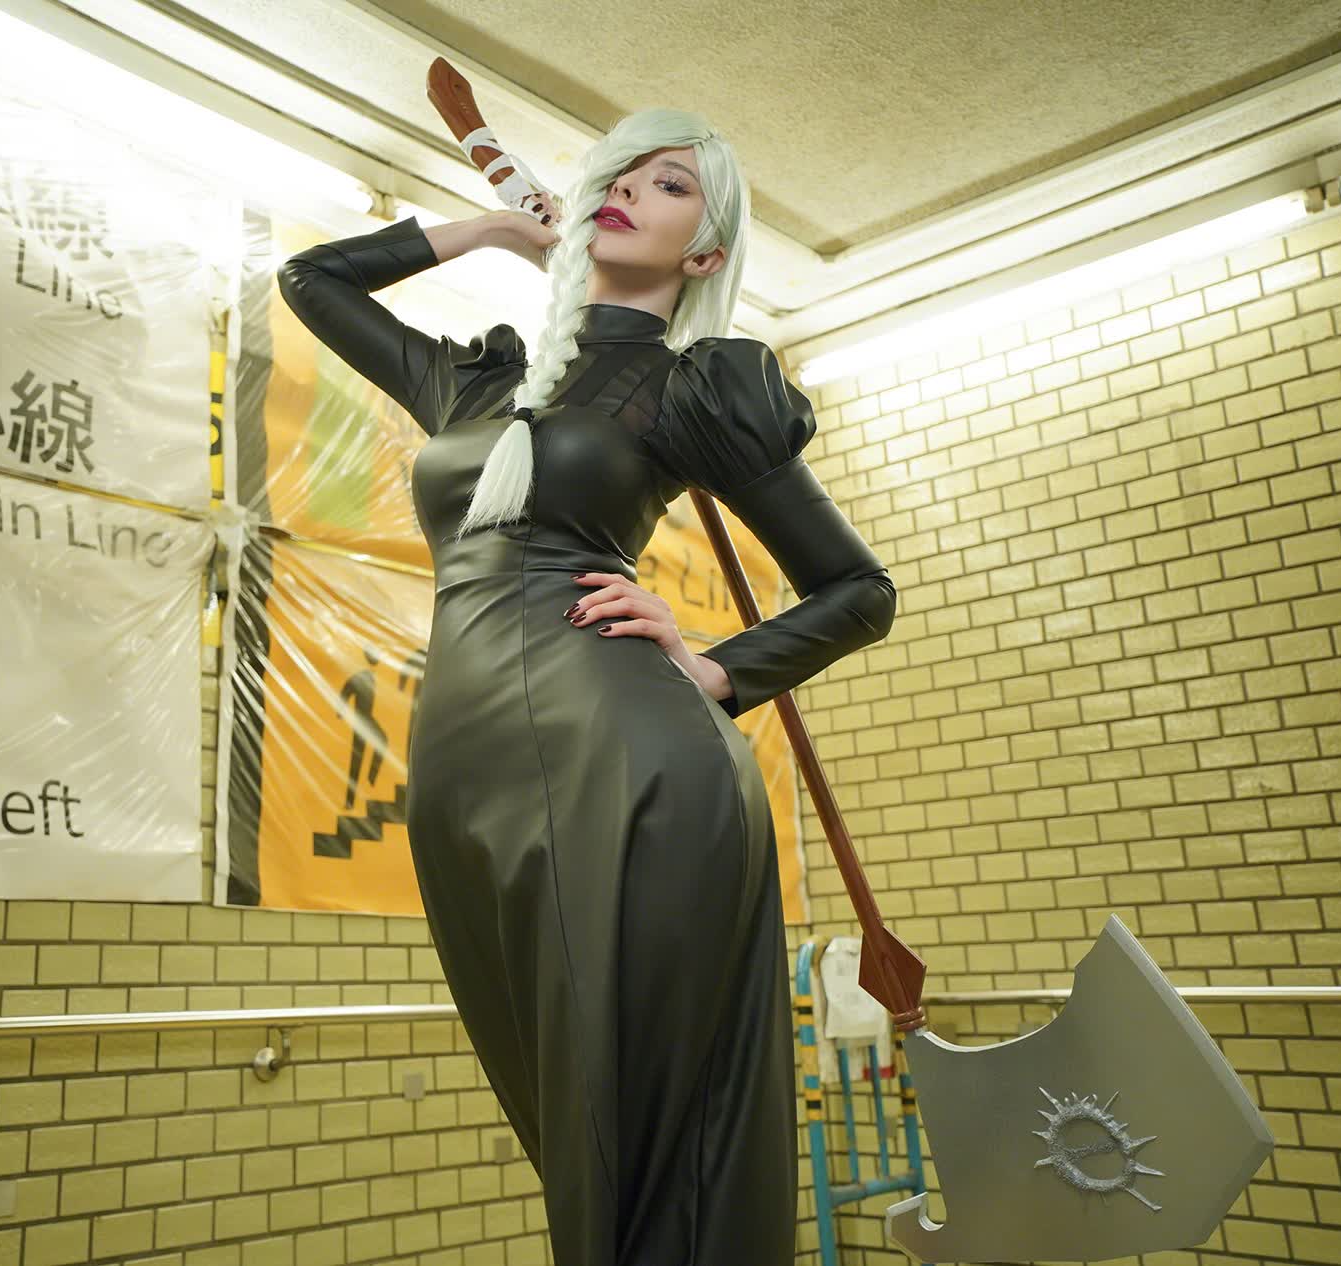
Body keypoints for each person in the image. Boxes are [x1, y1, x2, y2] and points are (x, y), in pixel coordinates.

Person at [277, 107, 896, 1266]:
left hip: (627, 756)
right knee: (566, 1116)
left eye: (669, 186)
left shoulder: (690, 390)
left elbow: (858, 590)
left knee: (638, 1127)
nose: (628, 189)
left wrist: (712, 666)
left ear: (704, 256)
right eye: (621, 173)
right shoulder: (475, 386)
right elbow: (311, 281)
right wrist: (493, 231)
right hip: (465, 765)